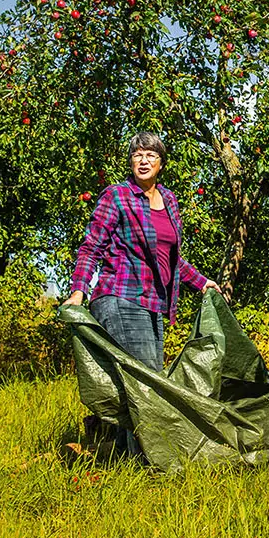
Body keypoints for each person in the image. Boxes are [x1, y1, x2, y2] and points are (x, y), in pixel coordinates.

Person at [63, 132, 221, 375]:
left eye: (151, 155)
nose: (144, 161)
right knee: (147, 383)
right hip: (121, 296)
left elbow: (168, 258)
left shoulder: (169, 200)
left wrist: (202, 283)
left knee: (146, 380)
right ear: (131, 162)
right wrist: (78, 291)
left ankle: (104, 415)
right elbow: (91, 246)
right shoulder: (117, 196)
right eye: (137, 155)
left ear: (161, 163)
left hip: (153, 303)